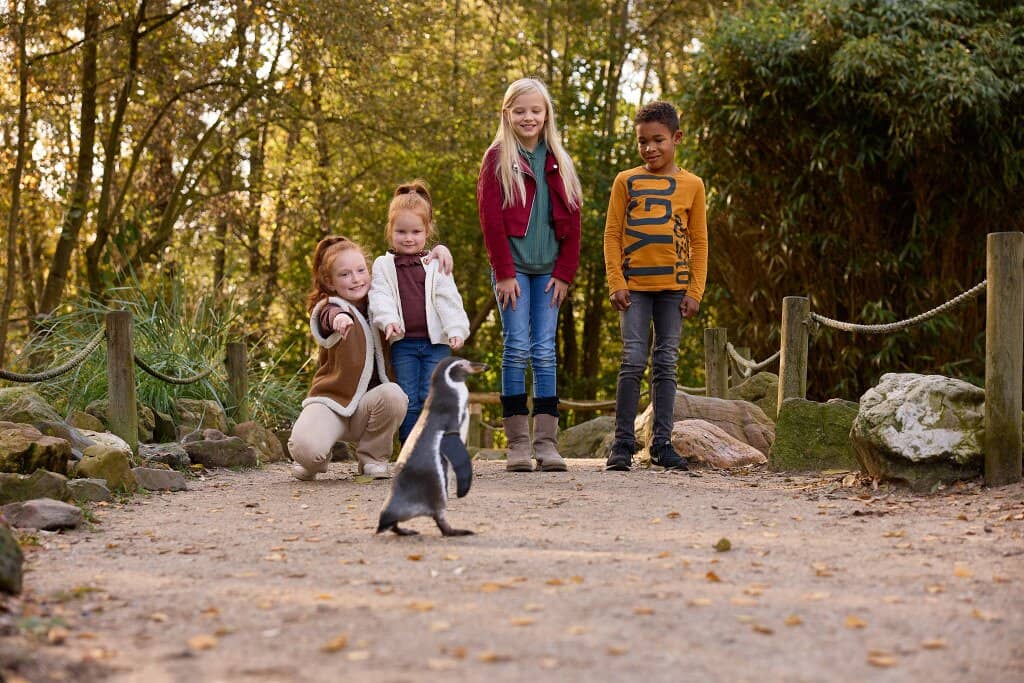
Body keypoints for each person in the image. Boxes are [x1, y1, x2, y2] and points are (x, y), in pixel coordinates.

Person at [477, 77, 582, 473]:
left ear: (546, 114)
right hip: (514, 271)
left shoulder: (558, 158)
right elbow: (490, 220)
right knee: (517, 348)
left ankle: (546, 444)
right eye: (520, 111)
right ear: (507, 114)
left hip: (550, 273)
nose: (528, 117)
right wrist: (504, 273)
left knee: (544, 353)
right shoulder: (497, 158)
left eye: (535, 110)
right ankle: (518, 445)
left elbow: (574, 221)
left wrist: (565, 273)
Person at [602, 101, 709, 472]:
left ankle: (661, 444)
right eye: (642, 141)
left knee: (665, 363)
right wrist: (616, 280)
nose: (650, 148)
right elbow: (612, 234)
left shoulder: (692, 185)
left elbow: (700, 241)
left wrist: (695, 291)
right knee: (632, 361)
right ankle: (622, 445)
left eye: (658, 140)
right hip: (634, 289)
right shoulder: (625, 181)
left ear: (676, 138)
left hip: (674, 290)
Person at [369, 180, 471, 444]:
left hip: (436, 344)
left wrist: (457, 330)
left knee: (432, 395)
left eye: (416, 231)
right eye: (401, 231)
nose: (409, 238)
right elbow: (380, 296)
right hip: (404, 344)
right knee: (408, 398)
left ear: (427, 231)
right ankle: (409, 449)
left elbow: (449, 298)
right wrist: (388, 320)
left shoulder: (435, 262)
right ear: (391, 230)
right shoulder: (383, 265)